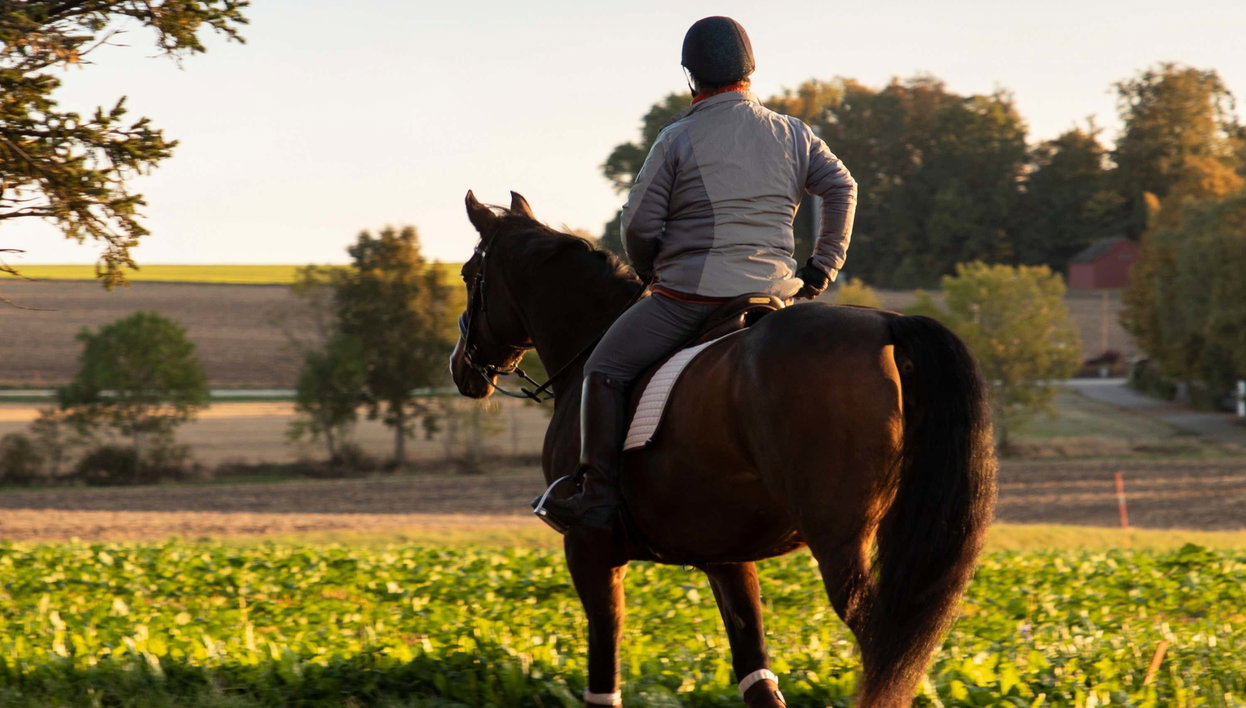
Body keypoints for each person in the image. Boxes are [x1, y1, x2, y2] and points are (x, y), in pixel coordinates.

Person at [537, 16, 857, 531]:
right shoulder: (794, 132)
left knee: (603, 370)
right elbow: (843, 187)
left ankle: (597, 494)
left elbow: (638, 224)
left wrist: (649, 272)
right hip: (774, 296)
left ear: (691, 76)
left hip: (690, 299)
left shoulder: (677, 137)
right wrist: (823, 266)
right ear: (750, 71)